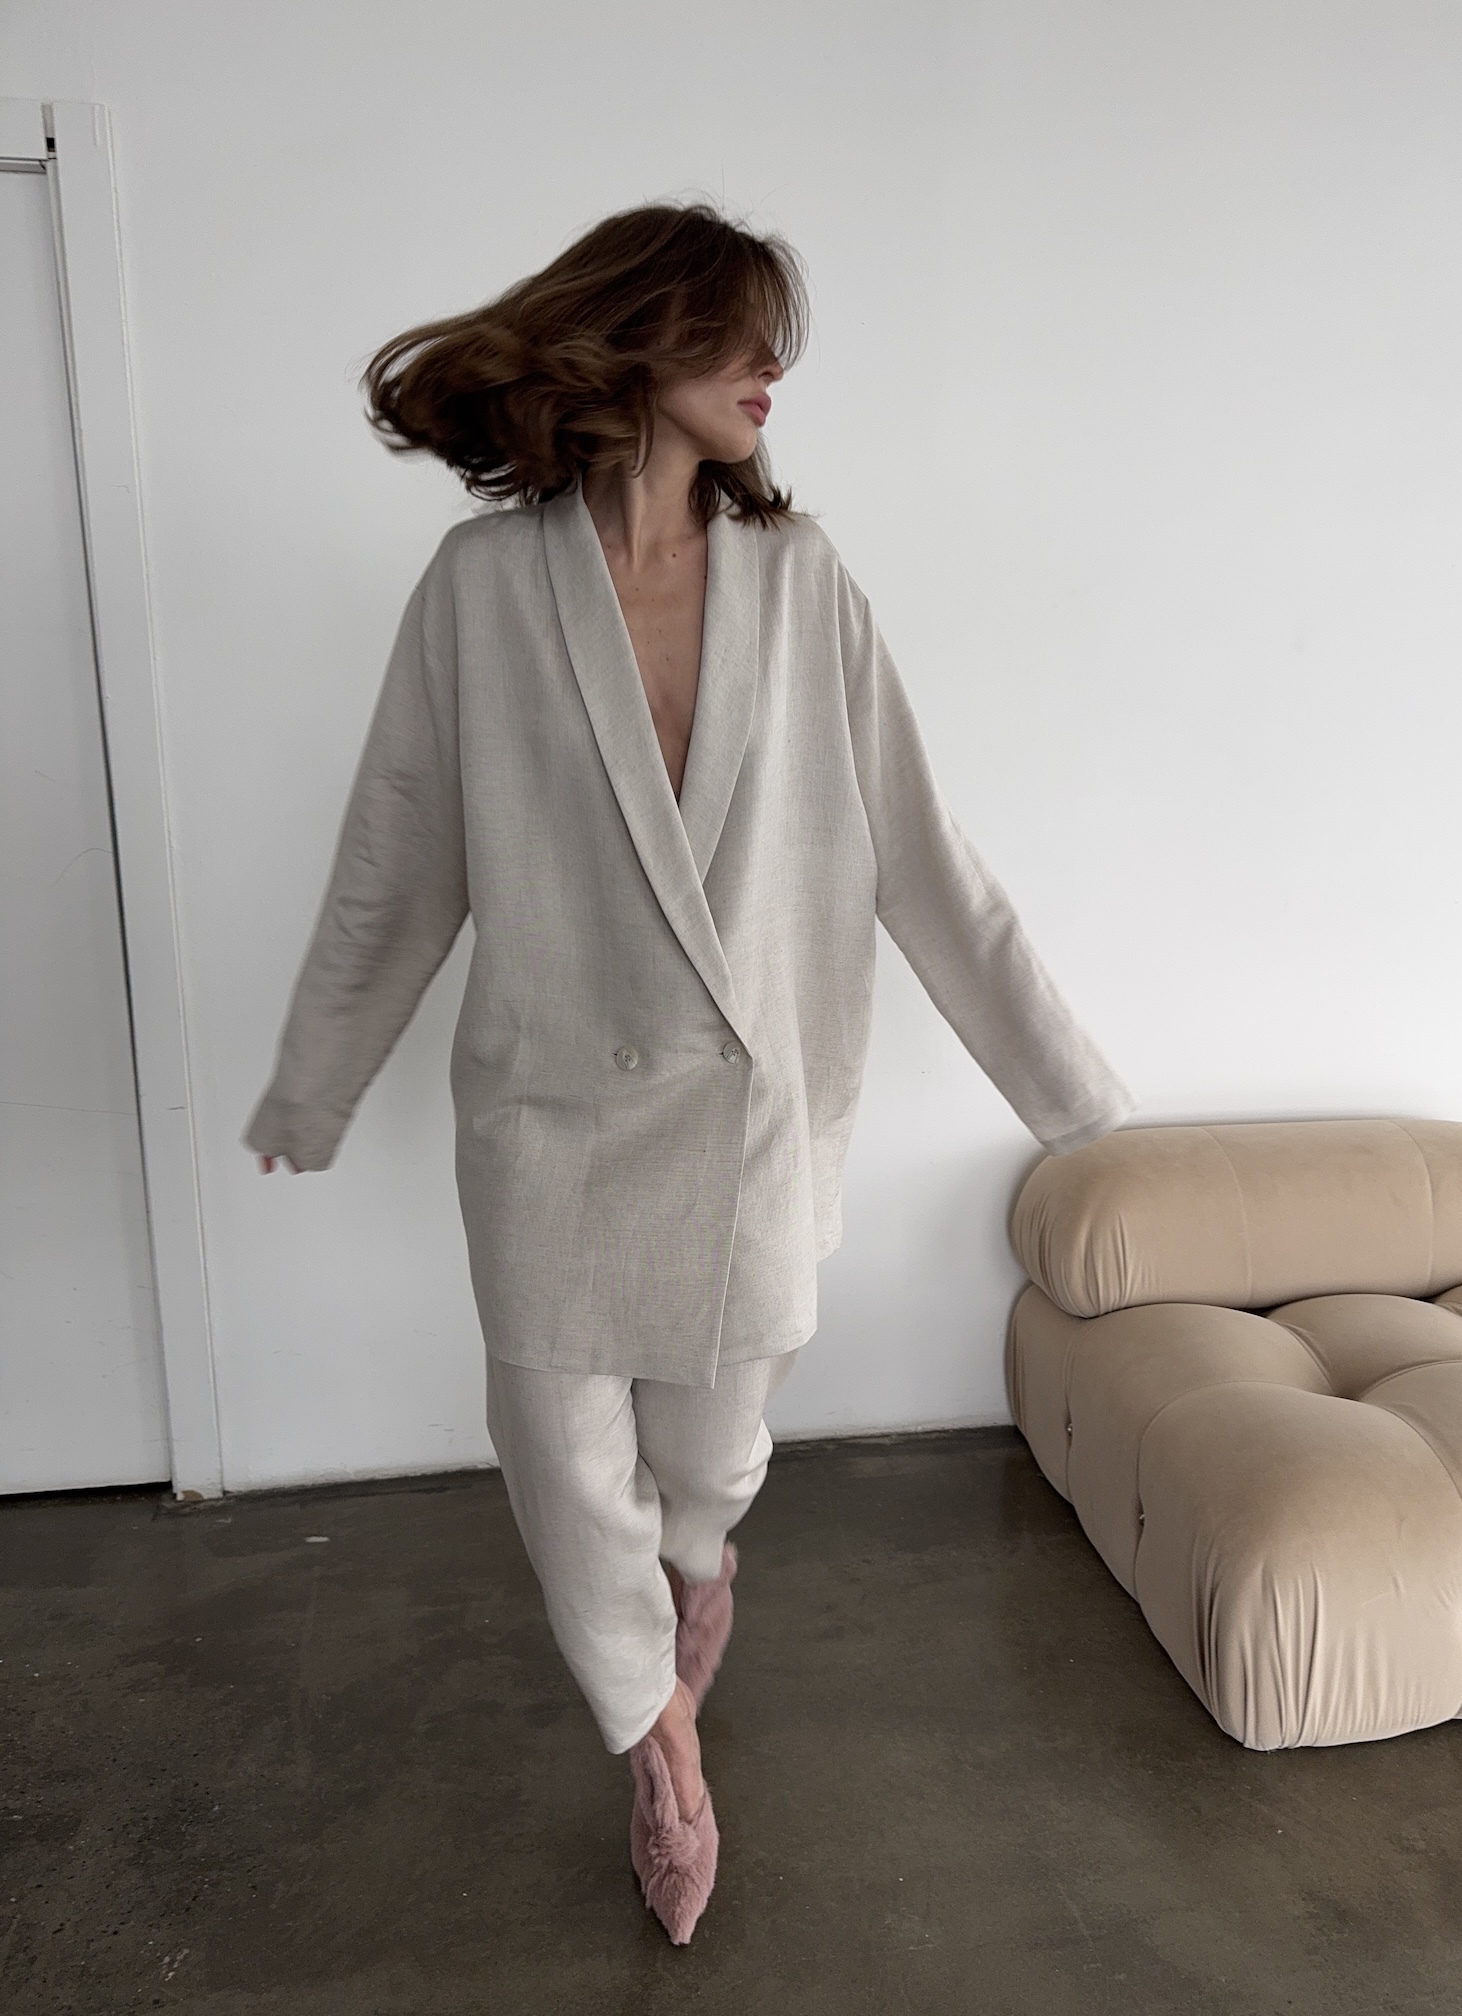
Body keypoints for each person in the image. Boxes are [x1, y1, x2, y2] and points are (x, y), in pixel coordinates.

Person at [244, 200, 1134, 1944]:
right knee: (561, 1456)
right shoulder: (482, 591)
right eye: (735, 333)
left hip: (747, 1125)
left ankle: (701, 1563)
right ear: (636, 342)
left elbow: (925, 858)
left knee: (708, 1461)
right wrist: (316, 1078)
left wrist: (1077, 1099)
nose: (771, 367)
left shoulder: (803, 587)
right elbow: (399, 857)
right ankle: (658, 1742)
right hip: (549, 1116)